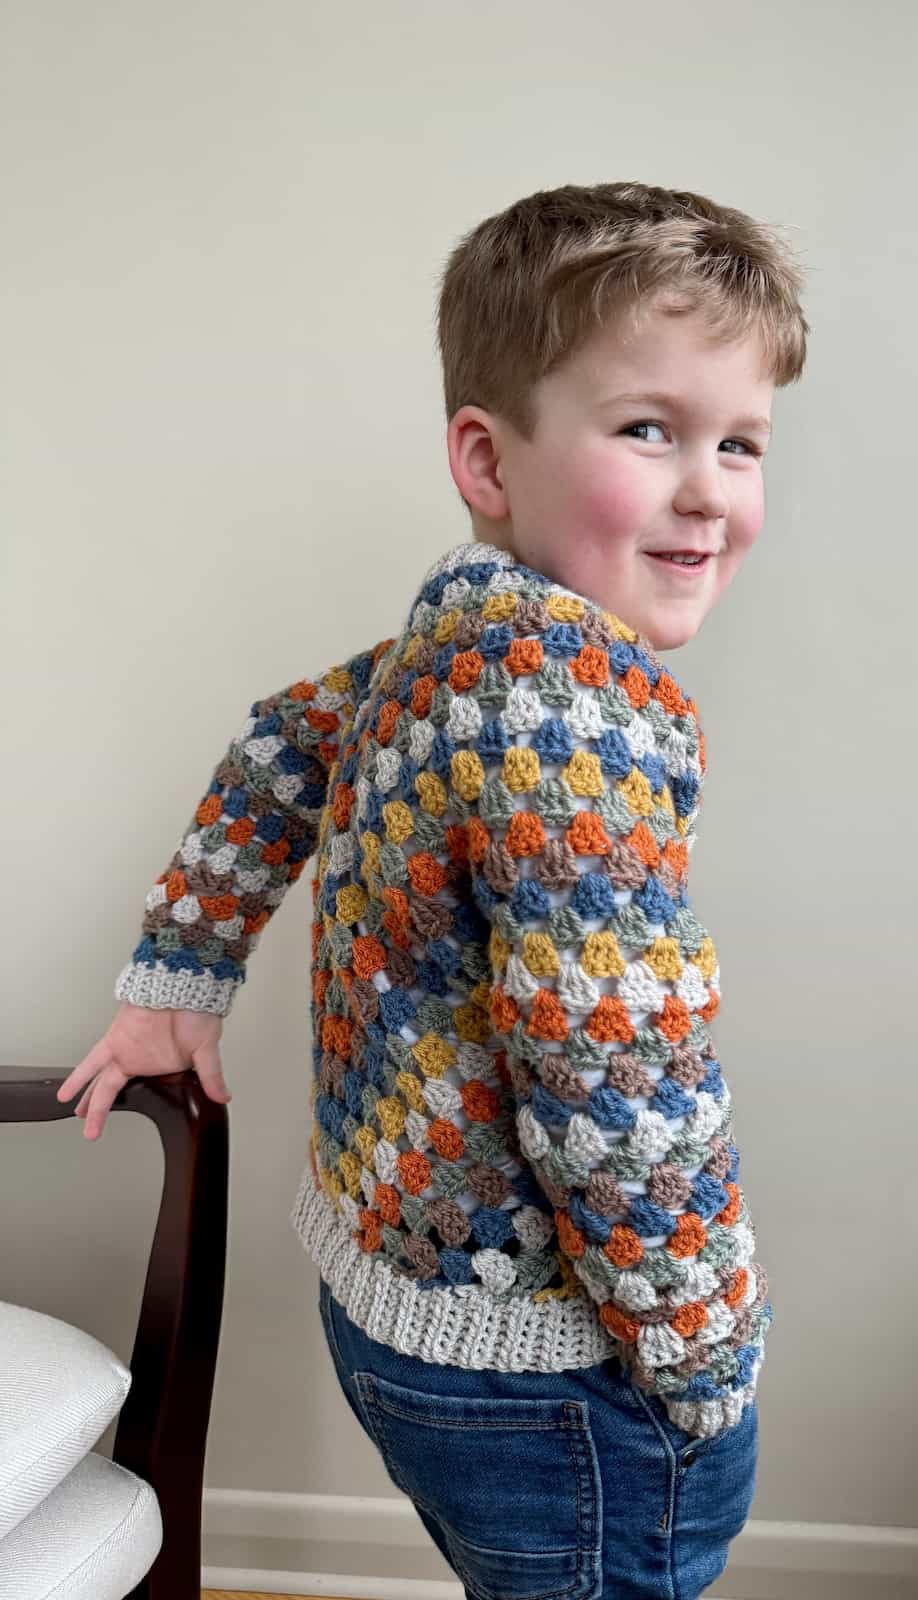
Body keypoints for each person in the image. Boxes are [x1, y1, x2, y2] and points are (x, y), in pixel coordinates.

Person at [58, 180, 811, 1599]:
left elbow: (281, 746)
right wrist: (707, 1355)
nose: (708, 487)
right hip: (554, 1373)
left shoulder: (456, 646)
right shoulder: (563, 709)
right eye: (649, 430)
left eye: (741, 442)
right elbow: (615, 1069)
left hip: (393, 1312)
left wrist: (175, 985)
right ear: (487, 455)